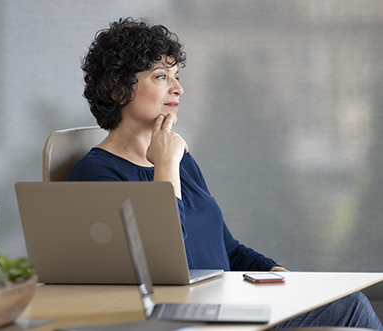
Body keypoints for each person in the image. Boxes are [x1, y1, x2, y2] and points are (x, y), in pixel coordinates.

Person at [69, 17, 383, 330]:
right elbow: (161, 267)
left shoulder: (180, 160)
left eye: (176, 76)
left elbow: (227, 249)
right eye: (161, 76)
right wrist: (164, 165)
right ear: (116, 89)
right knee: (351, 310)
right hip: (180, 320)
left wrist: (274, 271)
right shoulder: (96, 174)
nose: (178, 88)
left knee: (349, 305)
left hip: (227, 305)